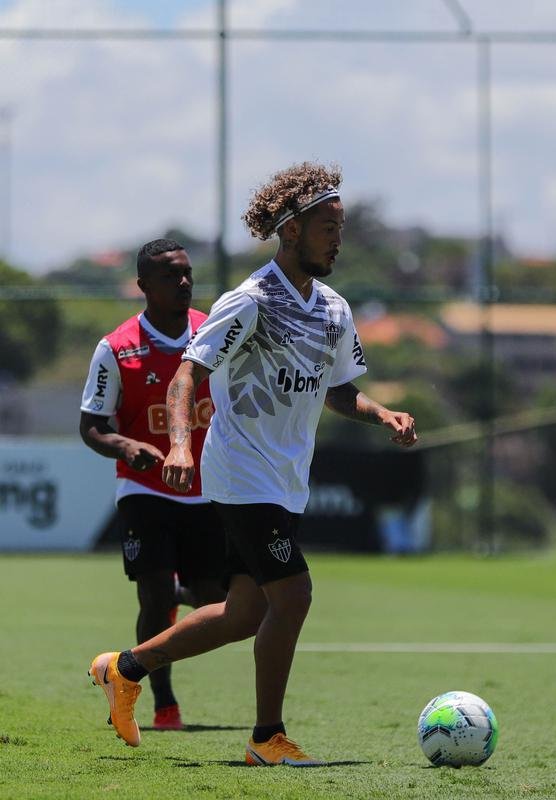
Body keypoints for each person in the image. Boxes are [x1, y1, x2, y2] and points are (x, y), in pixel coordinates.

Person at [88, 162, 418, 765]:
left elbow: (341, 391)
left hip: (286, 479)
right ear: (290, 230)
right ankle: (267, 738)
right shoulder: (250, 301)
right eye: (326, 226)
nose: (336, 239)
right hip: (242, 472)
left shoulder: (335, 310)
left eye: (340, 227)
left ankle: (124, 668)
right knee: (294, 596)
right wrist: (183, 445)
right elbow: (189, 372)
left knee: (244, 613)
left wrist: (383, 414)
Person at [80, 238, 226, 731]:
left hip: (209, 490)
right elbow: (91, 426)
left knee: (217, 604)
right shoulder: (116, 348)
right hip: (145, 490)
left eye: (187, 273)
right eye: (170, 275)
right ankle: (163, 703)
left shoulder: (214, 333)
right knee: (155, 596)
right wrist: (126, 447)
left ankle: (180, 590)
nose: (183, 282)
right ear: (144, 285)